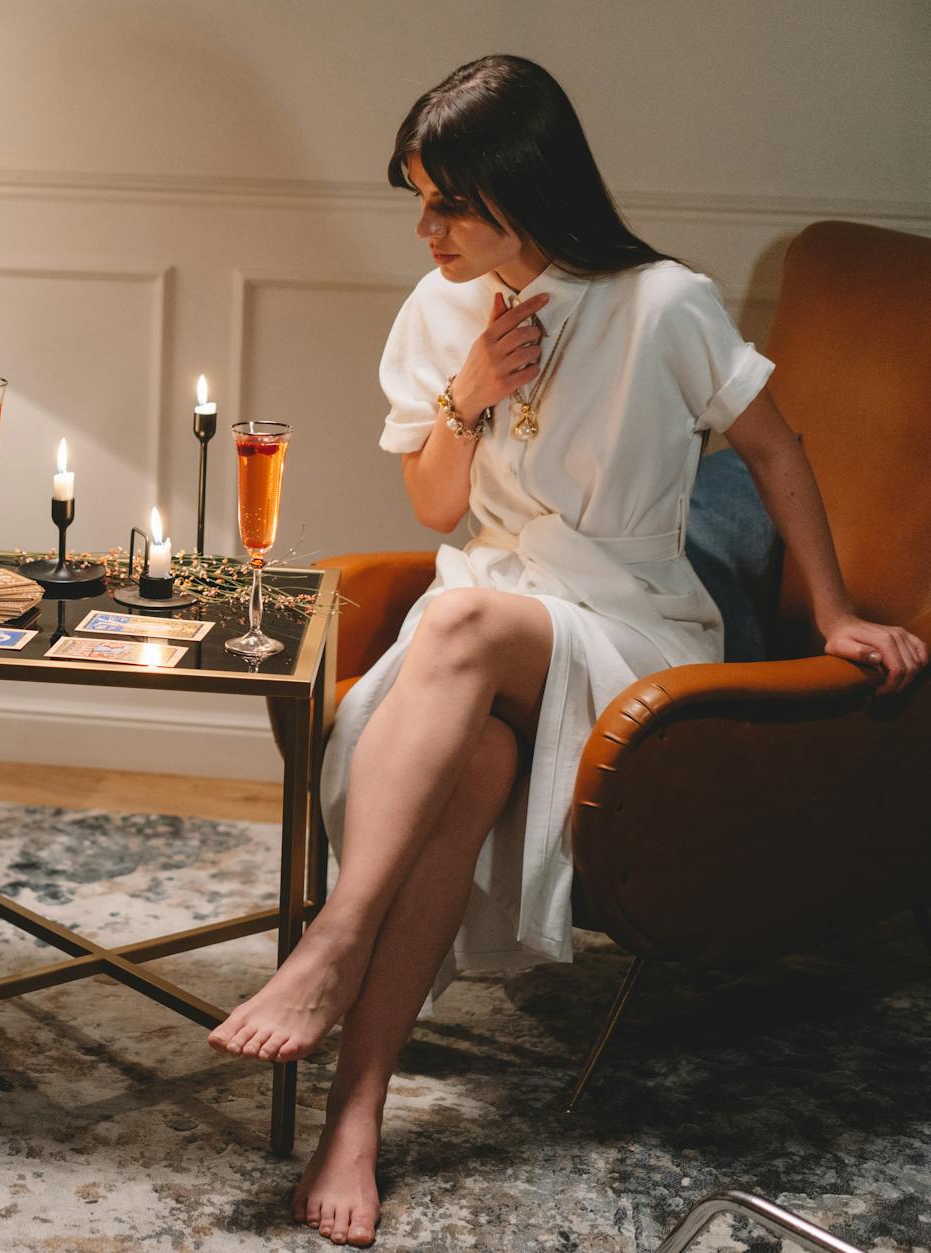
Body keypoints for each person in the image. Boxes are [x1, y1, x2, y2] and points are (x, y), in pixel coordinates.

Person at [206, 55, 926, 1245]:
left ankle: (332, 938)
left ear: (522, 193)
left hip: (629, 625)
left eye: (448, 202)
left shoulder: (662, 303)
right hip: (484, 617)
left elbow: (776, 453)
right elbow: (438, 512)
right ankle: (356, 1114)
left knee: (455, 620)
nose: (424, 226)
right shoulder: (436, 310)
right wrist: (466, 392)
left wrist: (837, 608)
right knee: (469, 764)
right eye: (416, 196)